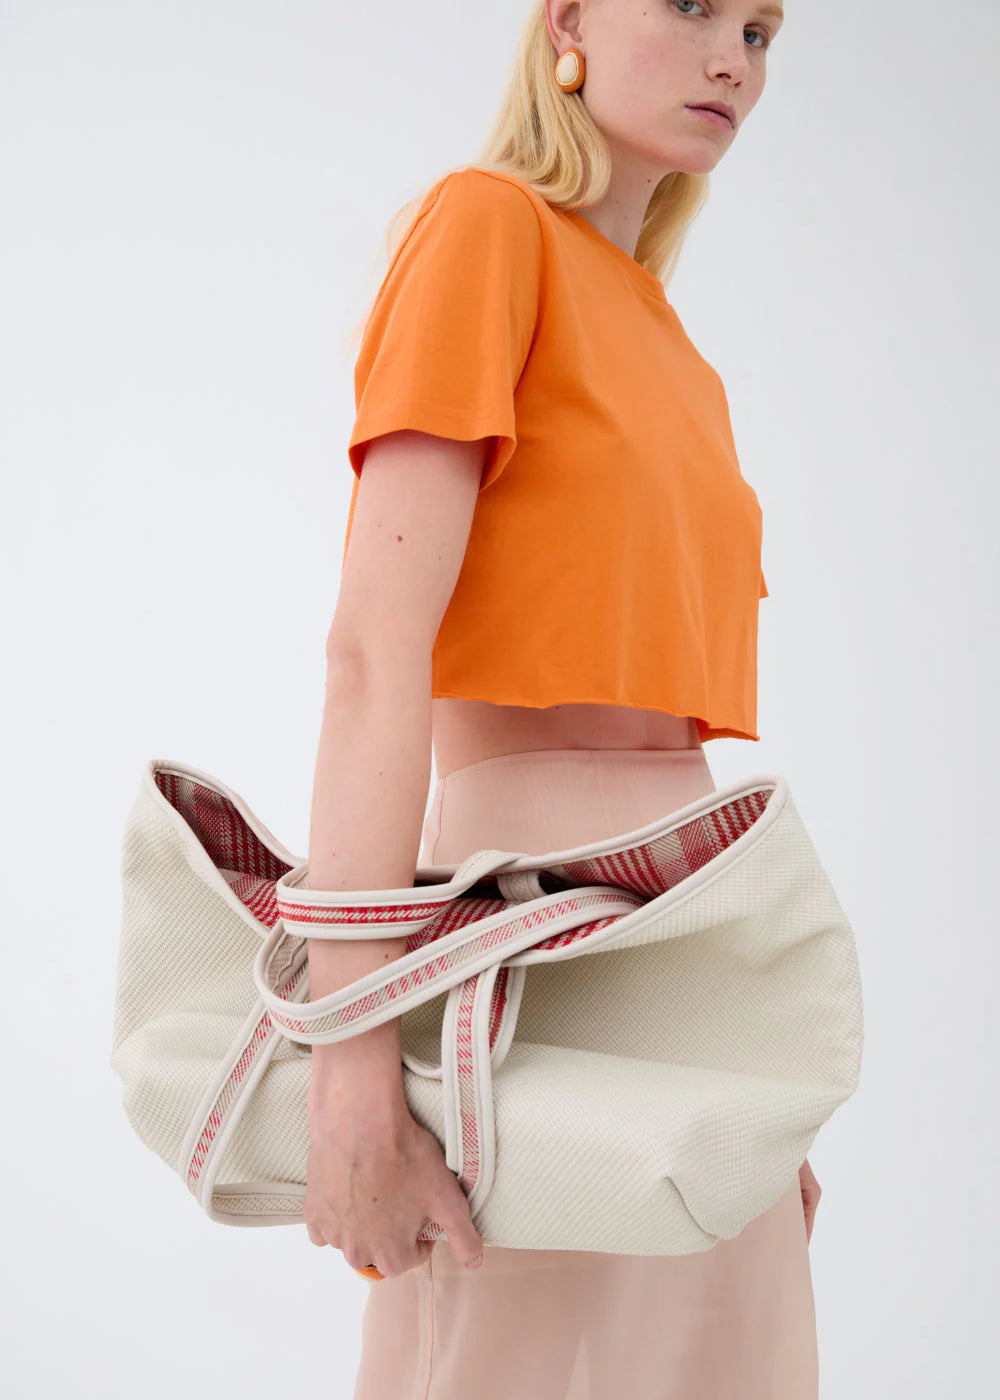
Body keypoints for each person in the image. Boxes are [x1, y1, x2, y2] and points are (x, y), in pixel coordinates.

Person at [305, 1, 821, 1395]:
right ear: (570, 21)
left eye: (763, 31)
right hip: (520, 952)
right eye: (695, 6)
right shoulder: (487, 230)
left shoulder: (676, 352)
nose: (734, 59)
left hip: (691, 970)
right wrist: (349, 1063)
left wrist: (757, 1070)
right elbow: (373, 653)